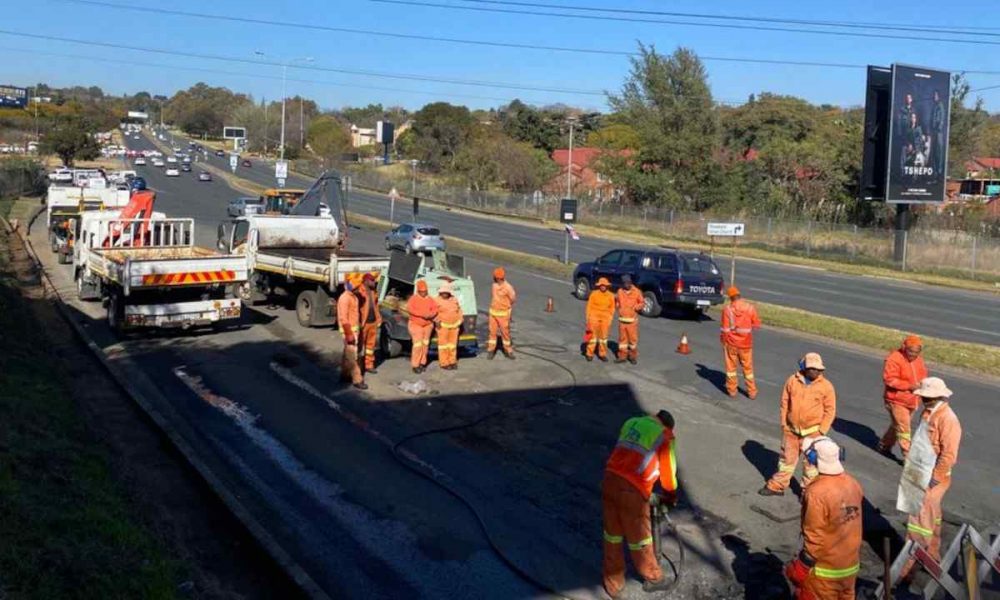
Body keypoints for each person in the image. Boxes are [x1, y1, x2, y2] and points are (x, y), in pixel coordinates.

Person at [602, 410, 678, 598]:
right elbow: (668, 476)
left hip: (609, 480)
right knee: (640, 538)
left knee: (613, 534)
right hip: (633, 490)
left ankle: (613, 585)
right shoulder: (665, 435)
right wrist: (670, 497)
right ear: (666, 425)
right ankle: (653, 578)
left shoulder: (631, 422)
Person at [899, 377, 962, 581]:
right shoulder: (929, 412)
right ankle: (932, 558)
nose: (924, 400)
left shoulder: (947, 419)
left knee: (918, 522)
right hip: (921, 471)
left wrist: (935, 478)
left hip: (932, 477)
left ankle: (906, 570)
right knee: (932, 518)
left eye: (927, 397)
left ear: (939, 396)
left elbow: (949, 455)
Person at [785, 437, 864, 600]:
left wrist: (803, 564)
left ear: (814, 458)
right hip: (850, 568)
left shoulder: (817, 492)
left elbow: (814, 535)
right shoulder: (853, 483)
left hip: (825, 573)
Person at [759, 353, 836, 496]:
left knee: (811, 466)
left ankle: (808, 493)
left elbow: (830, 410)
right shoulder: (792, 381)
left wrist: (822, 431)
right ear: (804, 368)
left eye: (818, 369)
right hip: (791, 431)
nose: (815, 371)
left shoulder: (826, 387)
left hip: (813, 434)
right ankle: (777, 486)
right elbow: (784, 403)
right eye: (812, 368)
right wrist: (784, 424)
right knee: (786, 461)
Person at [877, 335, 928, 460]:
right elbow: (889, 379)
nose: (913, 355)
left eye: (916, 352)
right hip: (896, 400)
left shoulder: (919, 360)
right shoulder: (894, 359)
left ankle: (884, 445)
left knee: (898, 425)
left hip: (913, 399)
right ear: (904, 348)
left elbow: (923, 376)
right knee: (904, 428)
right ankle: (908, 457)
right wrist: (910, 386)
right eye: (911, 351)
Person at [720, 286, 761, 399]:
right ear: (739, 295)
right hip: (746, 344)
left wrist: (723, 341)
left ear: (730, 297)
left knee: (731, 368)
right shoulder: (750, 308)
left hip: (731, 344)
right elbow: (757, 325)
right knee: (748, 369)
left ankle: (732, 391)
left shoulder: (727, 310)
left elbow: (725, 330)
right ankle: (752, 392)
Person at [336, 274, 366, 390]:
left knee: (347, 355)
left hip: (353, 331)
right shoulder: (345, 298)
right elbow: (344, 318)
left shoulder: (353, 296)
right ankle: (357, 380)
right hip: (350, 333)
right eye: (358, 287)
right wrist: (349, 334)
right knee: (352, 357)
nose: (359, 288)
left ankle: (344, 375)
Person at [406, 279, 437, 374]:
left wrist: (430, 315)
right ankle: (415, 365)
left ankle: (422, 363)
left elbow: (435, 309)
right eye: (422, 292)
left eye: (425, 291)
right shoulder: (413, 299)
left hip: (427, 325)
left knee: (425, 344)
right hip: (416, 325)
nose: (424, 293)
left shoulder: (430, 299)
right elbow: (410, 309)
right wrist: (423, 314)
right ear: (418, 291)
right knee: (418, 345)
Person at [487, 266, 517, 360]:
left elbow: (513, 299)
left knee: (505, 333)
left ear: (498, 277)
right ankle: (491, 350)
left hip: (503, 314)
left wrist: (507, 308)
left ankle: (508, 350)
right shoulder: (494, 285)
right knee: (492, 332)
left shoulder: (508, 287)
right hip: (493, 313)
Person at [615, 274, 644, 364]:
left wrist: (636, 307)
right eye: (624, 283)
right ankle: (622, 356)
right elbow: (616, 301)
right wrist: (619, 308)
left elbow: (642, 303)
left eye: (627, 282)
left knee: (632, 341)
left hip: (632, 322)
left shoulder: (637, 292)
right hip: (622, 321)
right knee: (622, 341)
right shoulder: (619, 291)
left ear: (631, 282)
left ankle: (632, 357)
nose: (626, 284)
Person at [435, 281, 463, 371]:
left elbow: (459, 310)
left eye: (446, 292)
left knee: (452, 345)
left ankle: (452, 361)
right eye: (443, 292)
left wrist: (460, 320)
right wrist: (437, 321)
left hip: (454, 326)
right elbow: (433, 313)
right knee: (443, 346)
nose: (445, 294)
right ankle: (444, 363)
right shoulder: (436, 300)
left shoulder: (454, 299)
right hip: (443, 326)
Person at [586, 277, 615, 362]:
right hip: (594, 317)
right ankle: (589, 354)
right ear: (599, 285)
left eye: (604, 285)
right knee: (592, 337)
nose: (603, 287)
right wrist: (588, 318)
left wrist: (610, 318)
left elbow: (612, 308)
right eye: (601, 285)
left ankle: (602, 354)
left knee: (604, 338)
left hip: (605, 319)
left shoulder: (611, 296)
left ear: (607, 286)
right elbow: (589, 306)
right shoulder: (594, 294)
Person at [359, 272, 383, 375]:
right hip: (363, 324)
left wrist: (378, 319)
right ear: (366, 281)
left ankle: (369, 365)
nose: (374, 282)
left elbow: (375, 306)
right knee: (360, 347)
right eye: (372, 281)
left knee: (370, 347)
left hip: (372, 323)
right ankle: (359, 367)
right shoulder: (360, 291)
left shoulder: (373, 292)